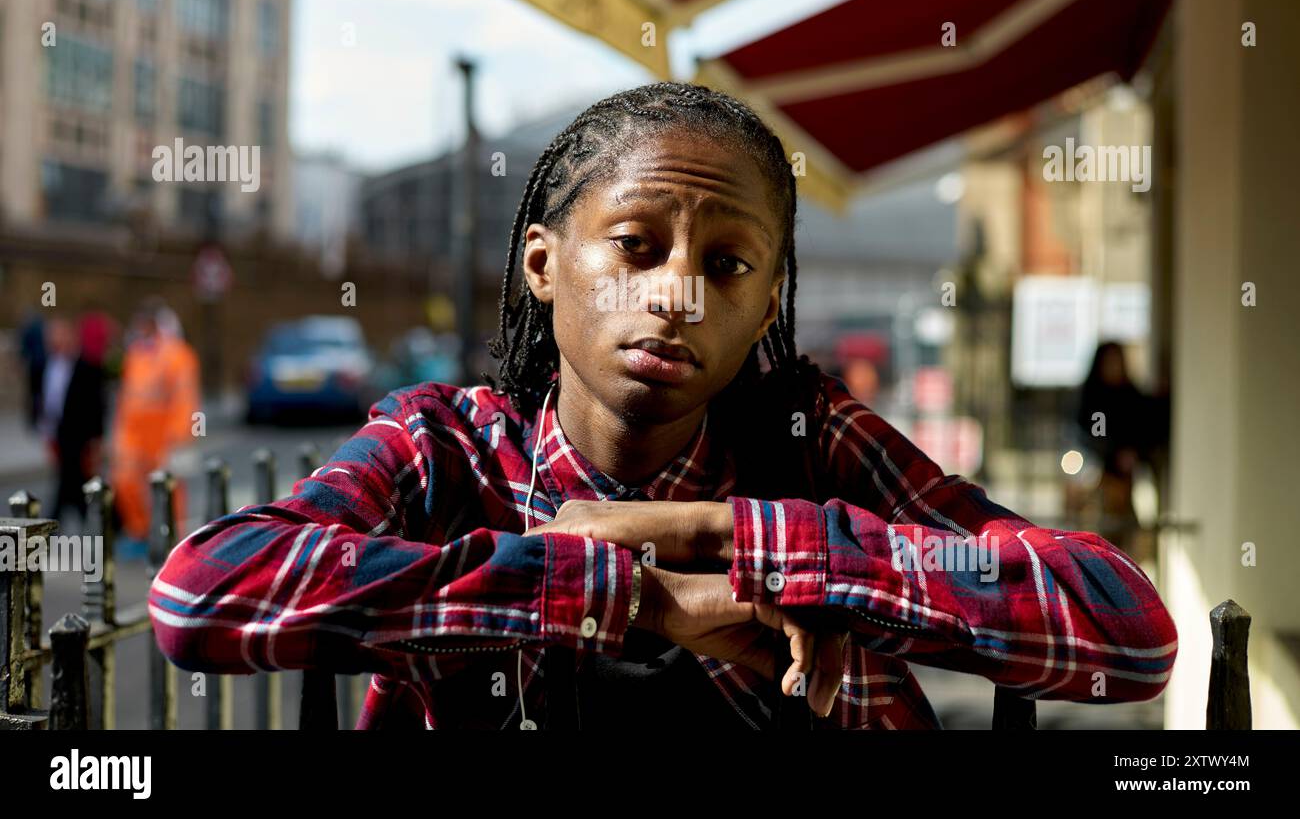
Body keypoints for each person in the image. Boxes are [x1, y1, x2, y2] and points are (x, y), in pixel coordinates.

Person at [148, 82, 1177, 730]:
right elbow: (202, 597)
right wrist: (632, 598)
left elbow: (1126, 630)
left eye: (726, 265)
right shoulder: (445, 450)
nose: (678, 292)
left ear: (768, 302)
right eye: (637, 247)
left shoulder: (805, 441)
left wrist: (744, 540)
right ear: (544, 265)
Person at [110, 299, 201, 545]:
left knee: (168, 489)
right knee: (126, 480)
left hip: (165, 437)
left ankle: (172, 538)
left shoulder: (178, 356)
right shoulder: (135, 356)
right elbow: (127, 398)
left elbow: (186, 399)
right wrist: (120, 438)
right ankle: (140, 532)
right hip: (136, 436)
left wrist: (179, 437)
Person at [1073, 340, 1163, 558]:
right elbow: (1089, 436)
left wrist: (1133, 453)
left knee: (1128, 538)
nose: (1114, 367)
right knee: (1100, 538)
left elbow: (1147, 421)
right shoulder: (1092, 397)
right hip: (1100, 480)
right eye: (1109, 362)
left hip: (1127, 482)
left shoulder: (1129, 395)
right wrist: (1113, 454)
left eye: (1117, 361)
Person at [34, 315, 107, 532]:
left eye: (59, 334)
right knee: (72, 485)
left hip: (81, 436)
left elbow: (98, 406)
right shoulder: (46, 365)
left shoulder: (87, 367)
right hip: (58, 434)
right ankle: (96, 525)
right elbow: (44, 400)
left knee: (71, 483)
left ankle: (52, 527)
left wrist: (97, 440)